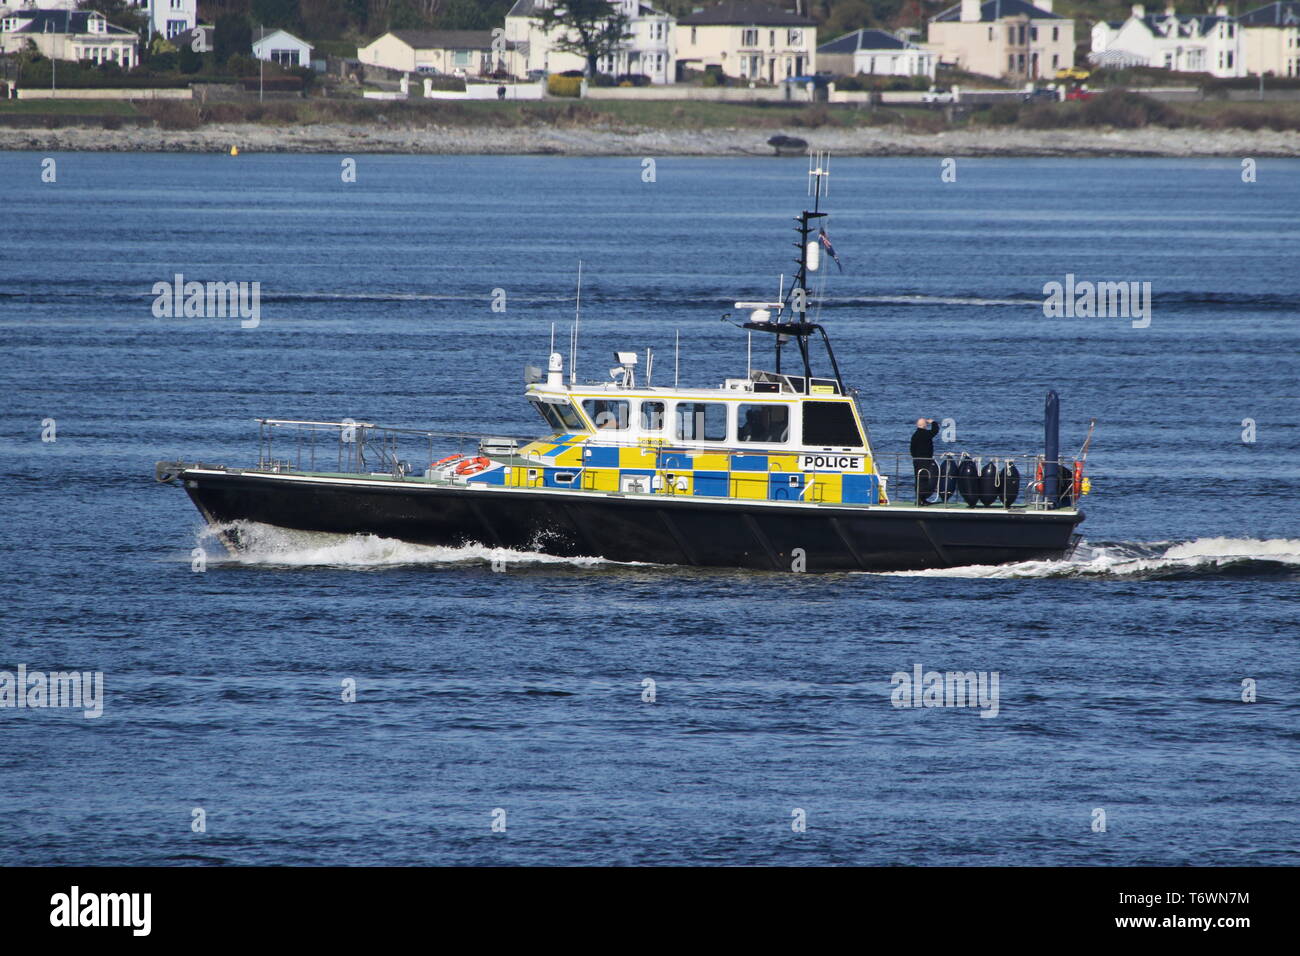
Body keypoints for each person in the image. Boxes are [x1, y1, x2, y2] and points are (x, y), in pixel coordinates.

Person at [910, 417, 940, 505]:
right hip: (925, 460)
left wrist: (915, 457)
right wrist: (933, 422)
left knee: (918, 479)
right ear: (924, 425)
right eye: (926, 424)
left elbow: (912, 449)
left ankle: (919, 499)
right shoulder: (926, 434)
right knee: (924, 479)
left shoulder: (914, 435)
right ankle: (921, 499)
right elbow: (935, 431)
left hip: (916, 460)